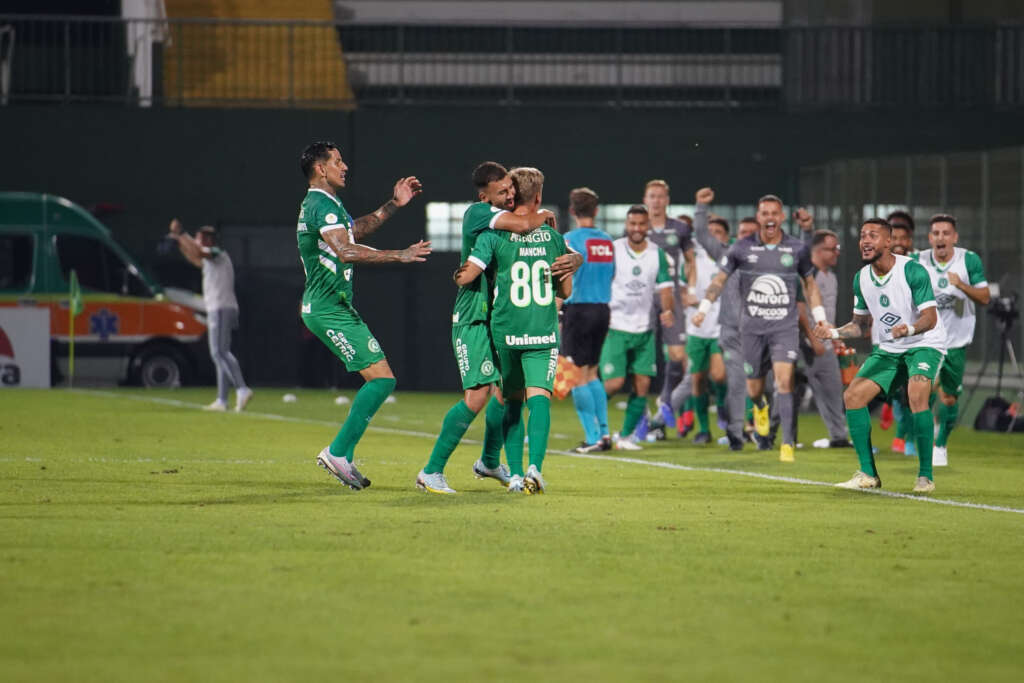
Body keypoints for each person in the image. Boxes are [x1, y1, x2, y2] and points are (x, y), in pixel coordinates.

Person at [415, 162, 567, 495]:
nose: (510, 195)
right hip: (472, 317)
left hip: (493, 319)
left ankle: (488, 461)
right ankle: (431, 471)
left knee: (503, 393)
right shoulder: (479, 215)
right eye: (503, 191)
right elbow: (527, 223)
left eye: (512, 189)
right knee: (478, 396)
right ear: (485, 195)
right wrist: (543, 218)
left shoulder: (499, 224)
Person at [297, 141, 429, 491]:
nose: (345, 166)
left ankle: (343, 455)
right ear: (321, 169)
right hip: (327, 309)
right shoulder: (320, 204)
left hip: (336, 307)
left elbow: (355, 231)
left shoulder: (328, 205)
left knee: (382, 379)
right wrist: (398, 256)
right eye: (337, 161)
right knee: (382, 379)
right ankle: (338, 452)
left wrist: (394, 205)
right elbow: (345, 251)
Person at [692, 194, 829, 463]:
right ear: (758, 217)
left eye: (774, 213)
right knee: (754, 388)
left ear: (782, 217)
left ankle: (787, 444)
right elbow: (719, 280)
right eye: (764, 213)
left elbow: (810, 285)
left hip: (784, 327)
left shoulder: (796, 249)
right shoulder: (741, 248)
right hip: (752, 329)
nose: (769, 218)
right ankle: (760, 408)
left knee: (784, 381)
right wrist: (703, 309)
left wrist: (819, 316)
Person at [817, 218, 946, 493]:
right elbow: (860, 326)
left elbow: (931, 318)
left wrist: (909, 328)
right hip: (890, 347)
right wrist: (835, 333)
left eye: (873, 236)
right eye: (863, 235)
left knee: (917, 394)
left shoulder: (912, 271)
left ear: (888, 242)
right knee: (852, 396)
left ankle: (925, 476)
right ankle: (868, 475)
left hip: (924, 342)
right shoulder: (861, 278)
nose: (865, 241)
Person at [917, 213, 990, 466]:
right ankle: (925, 441)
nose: (941, 238)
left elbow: (985, 297)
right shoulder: (919, 260)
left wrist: (961, 286)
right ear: (930, 238)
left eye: (946, 233)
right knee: (920, 391)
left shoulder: (968, 260)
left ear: (954, 237)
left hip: (956, 340)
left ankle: (941, 445)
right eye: (936, 233)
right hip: (927, 339)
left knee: (949, 397)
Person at [600, 205, 675, 450]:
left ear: (648, 226)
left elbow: (665, 287)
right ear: (626, 225)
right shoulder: (614, 249)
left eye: (641, 224)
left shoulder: (657, 254)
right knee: (613, 384)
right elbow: (602, 280)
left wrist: (668, 310)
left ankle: (625, 437)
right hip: (615, 326)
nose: (636, 228)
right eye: (632, 224)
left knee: (642, 386)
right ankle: (595, 428)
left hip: (644, 329)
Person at [690, 188, 756, 450]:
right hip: (732, 332)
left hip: (765, 330)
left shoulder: (770, 261)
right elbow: (703, 235)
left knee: (770, 382)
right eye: (743, 234)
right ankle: (739, 429)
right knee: (734, 381)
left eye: (752, 234)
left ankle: (761, 424)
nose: (747, 238)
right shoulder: (728, 255)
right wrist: (700, 208)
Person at [168, 220, 253, 412]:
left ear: (207, 239)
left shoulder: (218, 253)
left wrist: (182, 234)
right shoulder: (209, 257)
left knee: (219, 352)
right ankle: (222, 400)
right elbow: (194, 258)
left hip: (222, 307)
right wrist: (180, 242)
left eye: (199, 238)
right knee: (219, 353)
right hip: (217, 307)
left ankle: (241, 388)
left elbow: (198, 252)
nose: (197, 241)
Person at [561, 187, 616, 454]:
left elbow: (562, 278)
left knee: (575, 375)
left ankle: (592, 436)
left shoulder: (568, 239)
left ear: (572, 211)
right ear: (596, 210)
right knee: (593, 372)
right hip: (602, 310)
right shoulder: (607, 241)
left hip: (578, 310)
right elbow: (612, 274)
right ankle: (605, 434)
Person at [643, 180, 695, 434]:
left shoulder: (681, 229)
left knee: (677, 355)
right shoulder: (638, 228)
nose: (656, 201)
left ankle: (665, 401)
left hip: (671, 297)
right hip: (642, 298)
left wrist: (690, 289)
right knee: (641, 357)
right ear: (645, 199)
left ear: (667, 200)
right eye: (652, 196)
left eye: (660, 196)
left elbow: (691, 261)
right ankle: (643, 416)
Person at [796, 223, 853, 448]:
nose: (837, 252)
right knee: (790, 390)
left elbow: (827, 312)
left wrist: (836, 335)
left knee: (833, 389)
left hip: (825, 345)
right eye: (832, 248)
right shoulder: (808, 276)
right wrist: (811, 338)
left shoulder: (832, 277)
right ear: (818, 251)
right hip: (804, 344)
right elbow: (801, 310)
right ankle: (781, 437)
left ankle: (838, 437)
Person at [681, 220, 727, 444]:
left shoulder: (728, 260)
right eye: (710, 232)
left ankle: (722, 410)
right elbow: (681, 292)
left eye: (718, 232)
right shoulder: (692, 260)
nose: (714, 236)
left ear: (726, 236)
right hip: (696, 329)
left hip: (720, 327)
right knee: (697, 379)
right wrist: (687, 298)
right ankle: (703, 429)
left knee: (719, 375)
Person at [884, 210, 918, 454]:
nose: (899, 242)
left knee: (916, 390)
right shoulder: (878, 265)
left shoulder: (919, 266)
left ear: (911, 240)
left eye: (903, 237)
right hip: (887, 338)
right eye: (894, 236)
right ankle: (902, 433)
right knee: (897, 392)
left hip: (919, 338)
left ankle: (906, 439)